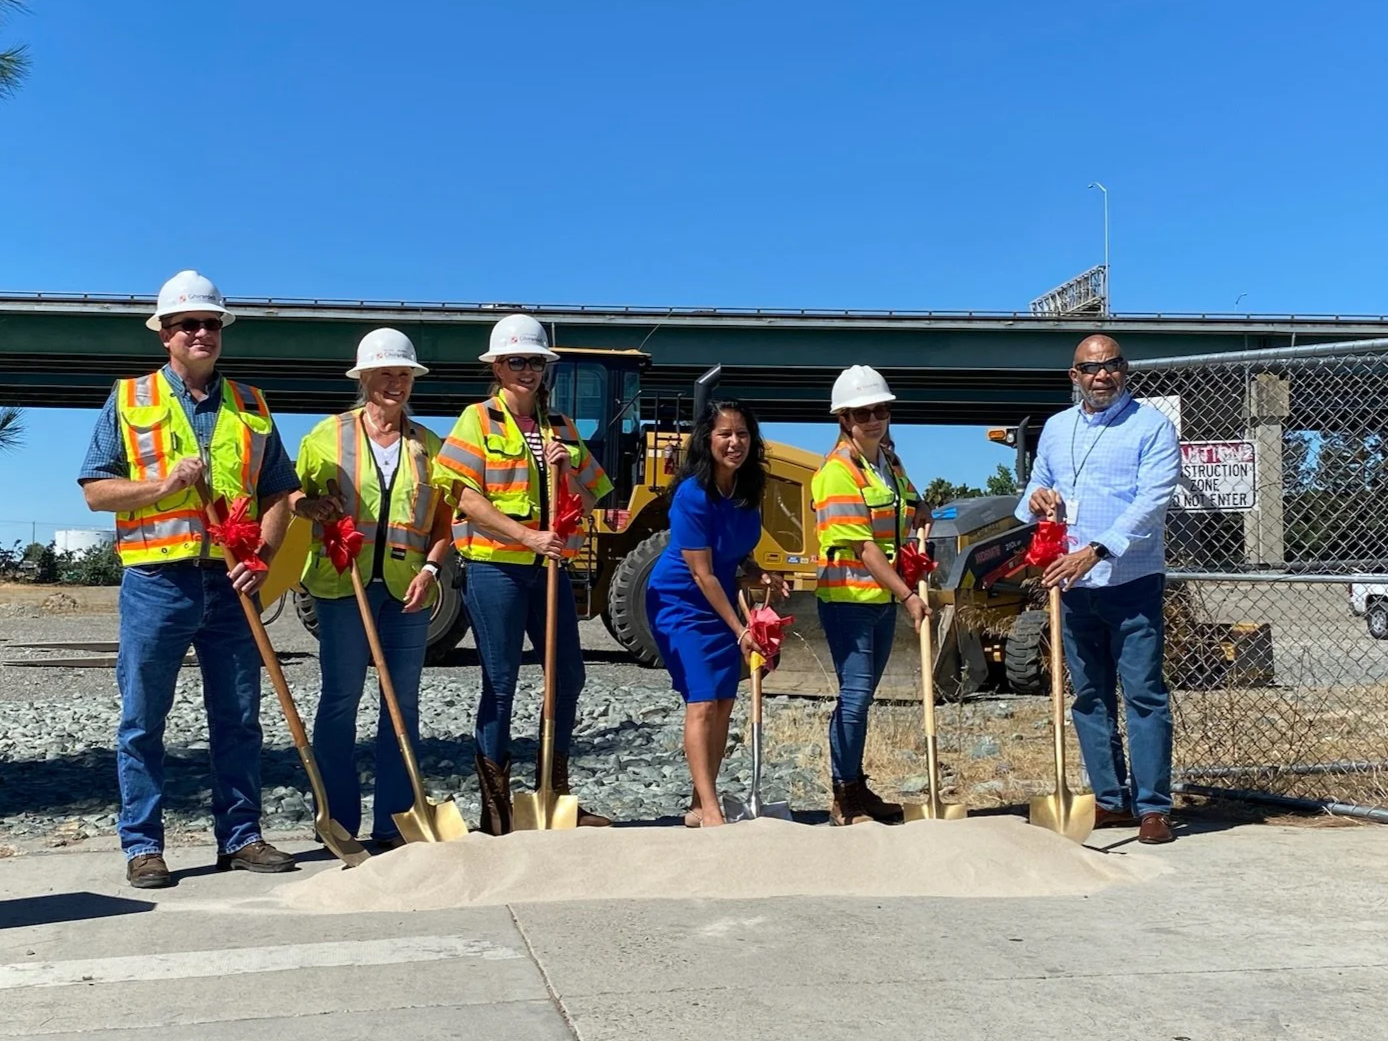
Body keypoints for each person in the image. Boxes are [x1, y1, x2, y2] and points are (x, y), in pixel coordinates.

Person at [77, 270, 300, 888]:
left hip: (232, 585)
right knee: (144, 720)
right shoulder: (128, 400)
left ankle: (242, 836)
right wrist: (163, 486)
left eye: (209, 323)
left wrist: (265, 555)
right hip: (157, 583)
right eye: (186, 324)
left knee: (238, 717)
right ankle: (143, 845)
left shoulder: (251, 405)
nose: (200, 332)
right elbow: (97, 491)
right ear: (165, 336)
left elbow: (280, 490)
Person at [433, 314, 614, 835]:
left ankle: (552, 794)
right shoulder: (478, 420)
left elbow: (594, 492)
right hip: (496, 569)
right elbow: (463, 495)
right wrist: (526, 535)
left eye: (535, 361)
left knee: (568, 677)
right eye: (517, 361)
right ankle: (496, 808)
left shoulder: (561, 426)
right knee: (502, 681)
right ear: (497, 366)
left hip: (549, 571)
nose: (527, 371)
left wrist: (568, 464)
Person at [289, 329, 453, 851]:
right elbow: (291, 493)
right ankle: (337, 820)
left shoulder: (429, 446)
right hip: (342, 587)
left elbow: (445, 524)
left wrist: (430, 570)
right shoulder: (325, 437)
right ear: (363, 378)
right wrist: (306, 506)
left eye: (403, 374)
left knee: (401, 703)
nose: (396, 383)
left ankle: (395, 822)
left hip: (407, 592)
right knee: (340, 698)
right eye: (385, 373)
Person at [1016, 334, 1181, 844]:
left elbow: (1152, 500)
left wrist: (1099, 549)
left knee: (1144, 694)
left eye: (1111, 366)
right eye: (1090, 368)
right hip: (1072, 586)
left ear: (1125, 370)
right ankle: (1110, 800)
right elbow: (1033, 491)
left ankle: (1153, 807)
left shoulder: (1150, 427)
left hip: (1129, 582)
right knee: (1089, 695)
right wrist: (1036, 499)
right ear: (1074, 376)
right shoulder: (1056, 429)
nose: (1101, 375)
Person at [645, 401, 788, 828]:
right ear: (707, 440)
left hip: (721, 596)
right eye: (725, 434)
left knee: (724, 701)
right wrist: (741, 629)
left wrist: (760, 571)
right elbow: (701, 572)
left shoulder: (747, 491)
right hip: (680, 602)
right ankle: (710, 810)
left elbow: (736, 553)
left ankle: (697, 801)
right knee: (702, 700)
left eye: (742, 434)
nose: (735, 442)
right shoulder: (692, 494)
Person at [812, 365, 930, 826]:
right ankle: (844, 795)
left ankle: (857, 787)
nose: (874, 418)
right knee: (855, 697)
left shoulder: (888, 463)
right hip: (849, 601)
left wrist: (921, 510)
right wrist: (907, 595)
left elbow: (911, 503)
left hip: (879, 601)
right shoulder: (837, 473)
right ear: (844, 419)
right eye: (863, 413)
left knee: (863, 698)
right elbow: (863, 547)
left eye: (881, 409)